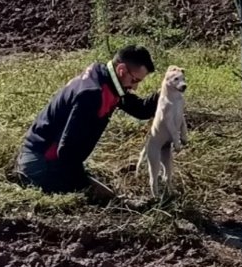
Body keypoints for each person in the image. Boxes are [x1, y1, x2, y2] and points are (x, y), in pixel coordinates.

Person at [14, 45, 159, 194]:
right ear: (121, 69)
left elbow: (141, 110)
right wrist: (86, 185)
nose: (134, 87)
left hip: (53, 158)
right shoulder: (92, 94)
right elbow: (67, 153)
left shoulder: (106, 78)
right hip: (40, 163)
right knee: (106, 200)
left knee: (100, 191)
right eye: (135, 80)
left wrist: (166, 91)